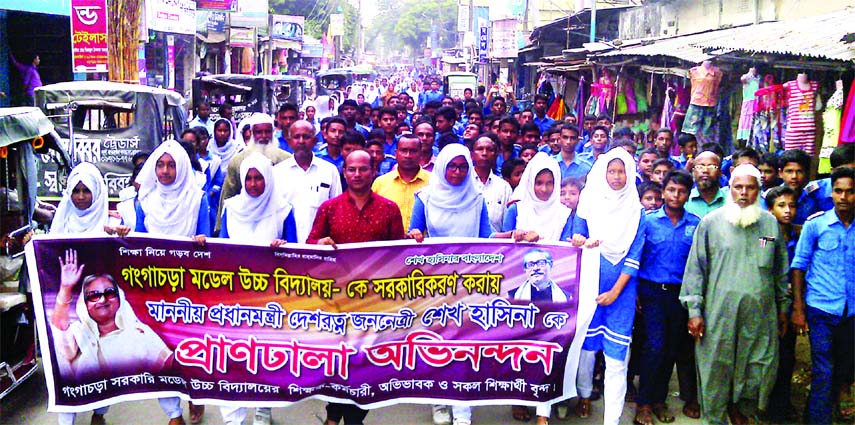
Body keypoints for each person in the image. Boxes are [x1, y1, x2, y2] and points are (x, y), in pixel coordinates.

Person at [679, 164, 790, 425]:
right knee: (716, 370)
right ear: (729, 189)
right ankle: (715, 418)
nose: (743, 193)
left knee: (756, 369)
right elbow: (696, 269)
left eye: (750, 188)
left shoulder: (769, 224)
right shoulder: (711, 223)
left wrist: (783, 308)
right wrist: (694, 311)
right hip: (719, 315)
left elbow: (779, 270)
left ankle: (742, 412)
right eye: (738, 187)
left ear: (758, 191)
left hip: (759, 317)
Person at [217, 153, 295, 425]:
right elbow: (222, 248)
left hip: (270, 298)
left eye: (258, 178)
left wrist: (282, 248)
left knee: (264, 356)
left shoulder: (283, 209)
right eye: (248, 178)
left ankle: (263, 411)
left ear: (268, 179)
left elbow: (295, 252)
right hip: (233, 295)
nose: (252, 184)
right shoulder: (231, 206)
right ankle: (232, 417)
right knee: (230, 357)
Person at [50, 252, 173, 424]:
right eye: (94, 295)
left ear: (119, 297)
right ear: (85, 303)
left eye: (109, 293)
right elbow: (60, 329)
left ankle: (175, 415)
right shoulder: (79, 332)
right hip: (84, 389)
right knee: (67, 391)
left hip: (113, 388)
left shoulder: (138, 333)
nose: (102, 299)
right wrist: (65, 288)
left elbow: (168, 370)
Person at [571, 148, 645, 425]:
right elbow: (575, 237)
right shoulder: (589, 204)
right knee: (587, 351)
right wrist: (580, 240)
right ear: (603, 173)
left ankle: (611, 419)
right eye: (611, 171)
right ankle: (584, 396)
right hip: (590, 288)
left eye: (622, 171)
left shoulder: (636, 211)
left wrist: (615, 292)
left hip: (621, 293)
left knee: (617, 358)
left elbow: (634, 257)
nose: (616, 177)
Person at [634, 169, 700, 425]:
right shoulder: (648, 221)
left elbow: (698, 264)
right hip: (651, 292)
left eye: (682, 191)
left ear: (687, 194)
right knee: (654, 346)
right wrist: (636, 291)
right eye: (671, 190)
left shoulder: (694, 224)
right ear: (663, 192)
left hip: (679, 295)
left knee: (670, 349)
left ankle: (660, 400)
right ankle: (644, 404)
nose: (676, 195)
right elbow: (636, 257)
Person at [791, 166, 855, 424]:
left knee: (842, 370)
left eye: (850, 192)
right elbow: (799, 265)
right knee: (824, 371)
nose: (843, 197)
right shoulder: (816, 224)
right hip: (821, 310)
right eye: (838, 191)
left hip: (851, 313)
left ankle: (814, 413)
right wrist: (798, 308)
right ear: (832, 194)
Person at [217, 114, 292, 233]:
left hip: (276, 221)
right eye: (259, 132)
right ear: (252, 133)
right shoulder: (237, 161)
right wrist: (220, 227)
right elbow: (228, 196)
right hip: (243, 222)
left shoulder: (286, 160)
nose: (263, 136)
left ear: (273, 132)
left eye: (267, 132)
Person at [273, 120, 342, 243]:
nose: (301, 141)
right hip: (286, 247)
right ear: (289, 141)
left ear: (315, 141)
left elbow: (337, 212)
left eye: (306, 137)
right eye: (296, 137)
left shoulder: (329, 170)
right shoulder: (277, 172)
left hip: (321, 247)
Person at [408, 144, 492, 242]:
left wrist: (510, 234)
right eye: (452, 166)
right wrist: (414, 234)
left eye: (463, 167)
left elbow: (486, 236)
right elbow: (413, 234)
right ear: (442, 166)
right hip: (435, 256)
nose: (457, 172)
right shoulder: (425, 197)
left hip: (470, 256)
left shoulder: (476, 198)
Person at [494, 152, 576, 244]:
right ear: (530, 183)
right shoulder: (517, 209)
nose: (544, 189)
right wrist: (518, 236)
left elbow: (566, 250)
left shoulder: (564, 214)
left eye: (549, 183)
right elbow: (502, 244)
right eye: (539, 183)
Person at [372, 134, 430, 230]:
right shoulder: (380, 183)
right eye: (404, 151)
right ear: (396, 153)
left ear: (420, 154)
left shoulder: (432, 182)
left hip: (423, 244)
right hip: (390, 243)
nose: (408, 156)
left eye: (413, 151)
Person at [470, 133, 513, 234]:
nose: (484, 153)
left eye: (489, 150)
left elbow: (506, 226)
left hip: (495, 247)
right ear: (472, 155)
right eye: (480, 149)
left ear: (496, 155)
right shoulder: (463, 183)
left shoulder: (504, 187)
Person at [685, 151, 728, 218]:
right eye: (700, 167)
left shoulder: (730, 200)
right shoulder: (685, 200)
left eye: (711, 167)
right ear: (693, 172)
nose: (705, 170)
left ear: (720, 172)